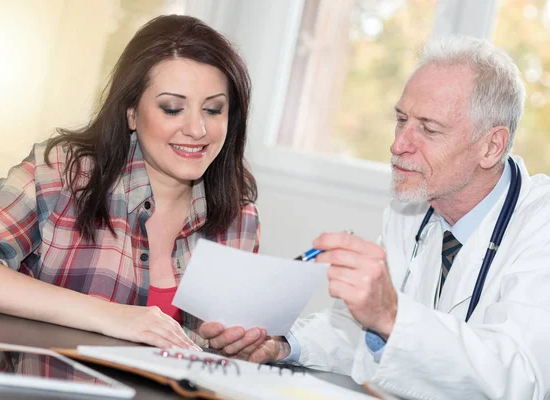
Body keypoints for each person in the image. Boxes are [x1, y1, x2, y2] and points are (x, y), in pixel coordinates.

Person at [200, 36, 550, 399]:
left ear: (491, 146)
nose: (398, 145)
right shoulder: (411, 207)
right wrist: (284, 345)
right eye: (401, 120)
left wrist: (391, 315)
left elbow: (524, 377)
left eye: (428, 129)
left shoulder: (540, 224)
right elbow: (358, 333)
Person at [0, 15, 260, 351]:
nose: (197, 130)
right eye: (172, 108)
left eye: (213, 110)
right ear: (131, 111)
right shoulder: (64, 173)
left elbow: (224, 349)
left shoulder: (239, 216)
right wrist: (109, 316)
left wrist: (255, 346)